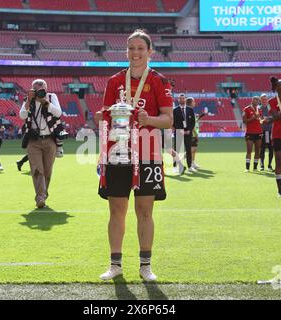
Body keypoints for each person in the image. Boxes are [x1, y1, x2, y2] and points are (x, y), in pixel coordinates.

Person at [94, 29, 173, 282]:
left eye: (140, 48)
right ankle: (114, 265)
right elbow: (106, 117)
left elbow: (168, 119)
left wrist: (147, 118)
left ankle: (145, 265)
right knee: (116, 209)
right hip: (118, 153)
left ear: (150, 52)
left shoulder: (160, 81)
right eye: (131, 48)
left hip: (148, 153)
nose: (135, 53)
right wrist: (101, 121)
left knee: (145, 210)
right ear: (126, 51)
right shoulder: (114, 81)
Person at [19, 79, 62, 208]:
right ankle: (40, 198)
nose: (40, 92)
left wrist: (46, 102)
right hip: (34, 140)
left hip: (50, 139)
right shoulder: (29, 99)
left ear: (46, 88)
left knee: (48, 170)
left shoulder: (51, 97)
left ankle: (43, 194)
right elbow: (22, 115)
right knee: (37, 169)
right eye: (37, 90)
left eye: (42, 89)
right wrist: (28, 100)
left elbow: (58, 113)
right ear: (32, 90)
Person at [174, 93, 196, 173]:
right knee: (178, 151)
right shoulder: (175, 110)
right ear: (178, 100)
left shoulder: (190, 109)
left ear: (185, 99)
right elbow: (174, 122)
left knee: (188, 150)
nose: (182, 100)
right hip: (179, 133)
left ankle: (190, 166)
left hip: (188, 133)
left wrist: (189, 130)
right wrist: (180, 130)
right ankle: (176, 166)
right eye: (180, 98)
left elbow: (193, 121)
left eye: (183, 98)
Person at [242, 96, 262, 172]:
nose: (257, 101)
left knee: (257, 151)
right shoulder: (246, 109)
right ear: (252, 100)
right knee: (249, 150)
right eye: (255, 100)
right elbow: (244, 121)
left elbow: (260, 119)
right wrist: (253, 118)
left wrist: (262, 120)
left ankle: (255, 168)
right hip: (250, 133)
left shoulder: (259, 109)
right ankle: (247, 168)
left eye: (258, 100)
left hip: (259, 132)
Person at [259, 94, 274, 171]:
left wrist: (266, 119)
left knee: (271, 149)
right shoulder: (258, 108)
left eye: (265, 99)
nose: (264, 101)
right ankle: (262, 165)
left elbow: (274, 117)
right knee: (262, 149)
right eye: (263, 99)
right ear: (260, 100)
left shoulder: (270, 108)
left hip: (270, 131)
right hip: (262, 132)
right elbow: (258, 119)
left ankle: (269, 165)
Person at [188, 97, 203, 170]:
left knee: (194, 150)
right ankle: (190, 163)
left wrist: (197, 118)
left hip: (194, 134)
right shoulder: (189, 112)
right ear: (190, 103)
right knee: (191, 150)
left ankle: (193, 162)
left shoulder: (191, 112)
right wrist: (196, 134)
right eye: (193, 102)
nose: (195, 103)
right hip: (192, 134)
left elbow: (194, 122)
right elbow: (191, 125)